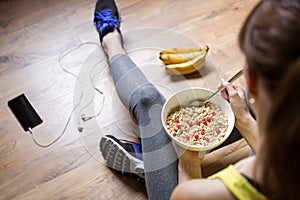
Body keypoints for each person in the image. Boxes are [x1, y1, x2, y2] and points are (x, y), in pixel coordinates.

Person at [94, 0, 300, 199]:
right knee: (265, 99)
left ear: (252, 79)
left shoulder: (202, 194)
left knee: (149, 103)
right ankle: (152, 156)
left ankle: (110, 39)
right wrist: (243, 118)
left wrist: (188, 158)